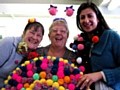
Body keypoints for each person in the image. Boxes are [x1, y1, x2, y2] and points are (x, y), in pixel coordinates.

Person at [71, 2, 120, 90]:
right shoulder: (80, 42)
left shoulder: (111, 36)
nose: (86, 20)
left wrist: (101, 75)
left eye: (90, 16)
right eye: (82, 17)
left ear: (98, 19)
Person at [0, 18, 44, 88]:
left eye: (38, 35)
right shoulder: (9, 43)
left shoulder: (35, 54)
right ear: (23, 33)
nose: (35, 37)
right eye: (32, 33)